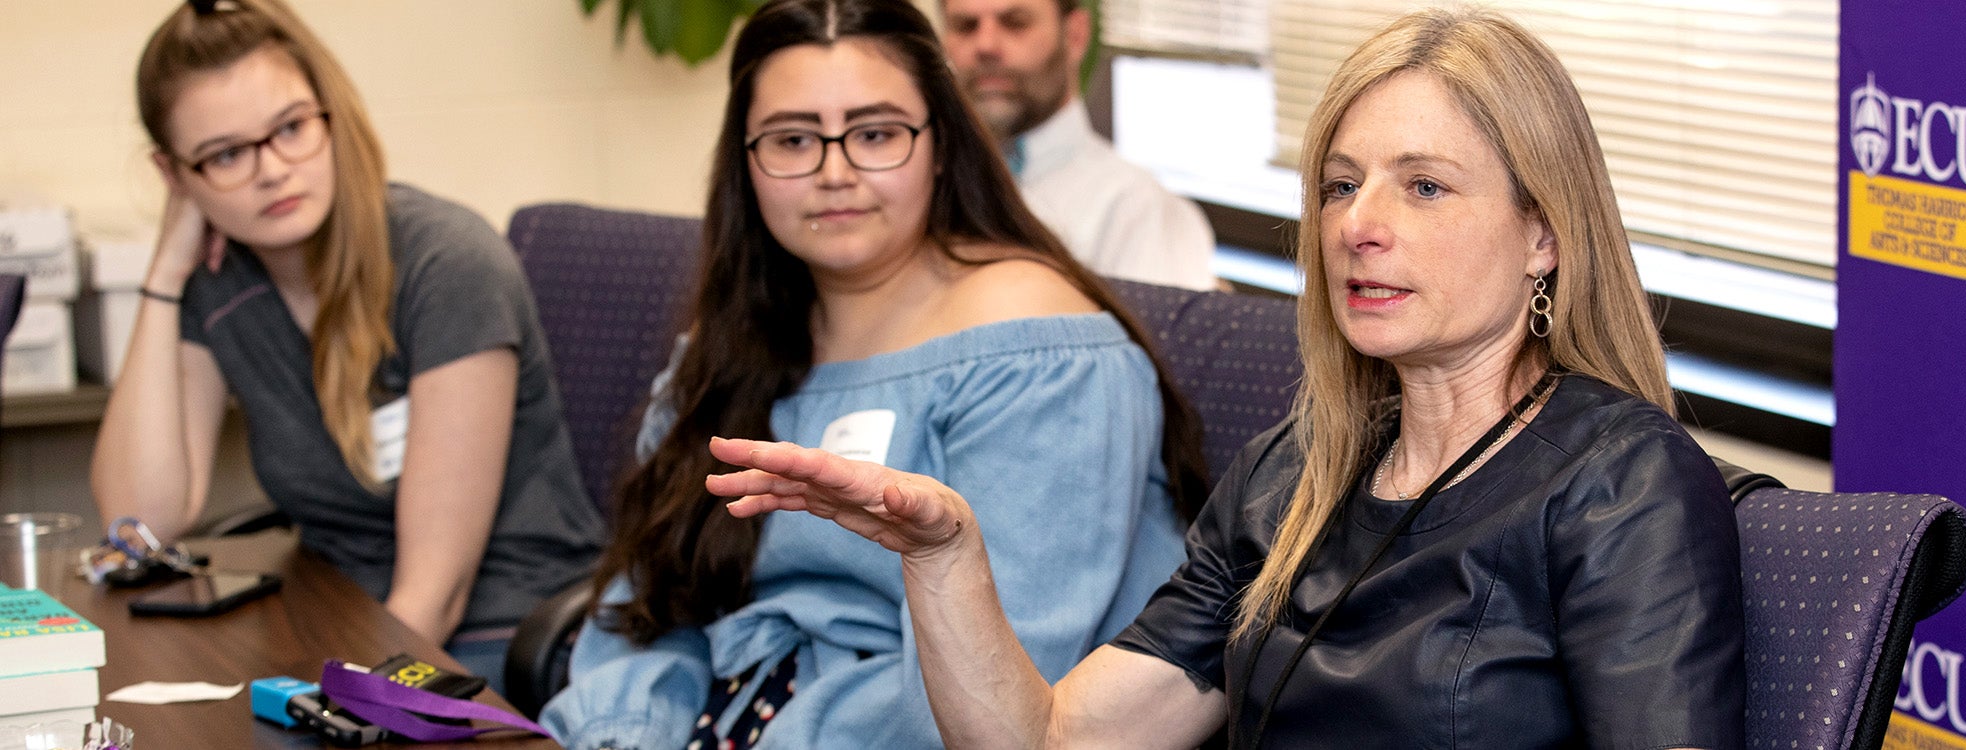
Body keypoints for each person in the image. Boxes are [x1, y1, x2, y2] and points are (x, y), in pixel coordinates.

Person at [709, 7, 1746, 748]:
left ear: (1543, 237)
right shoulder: (1289, 474)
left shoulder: (1622, 484)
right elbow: (1050, 741)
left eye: (1423, 186)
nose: (1358, 225)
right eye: (1340, 186)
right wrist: (944, 556)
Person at [536, 0, 1209, 747]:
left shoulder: (1036, 349)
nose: (833, 172)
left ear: (943, 145)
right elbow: (649, 601)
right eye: (792, 140)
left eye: (876, 134)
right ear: (745, 163)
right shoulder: (732, 340)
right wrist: (620, 734)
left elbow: (998, 702)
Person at [89, 0, 604, 691]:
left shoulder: (447, 264)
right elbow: (138, 524)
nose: (272, 170)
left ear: (332, 116)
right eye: (226, 155)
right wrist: (165, 272)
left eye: (291, 129)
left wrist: (339, 702)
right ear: (175, 174)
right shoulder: (223, 284)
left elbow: (435, 594)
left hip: (494, 640)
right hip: (333, 614)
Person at [941, 0, 1219, 290]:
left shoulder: (1138, 210)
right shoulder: (927, 189)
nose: (985, 45)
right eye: (965, 27)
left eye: (1016, 23)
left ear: (1075, 35)